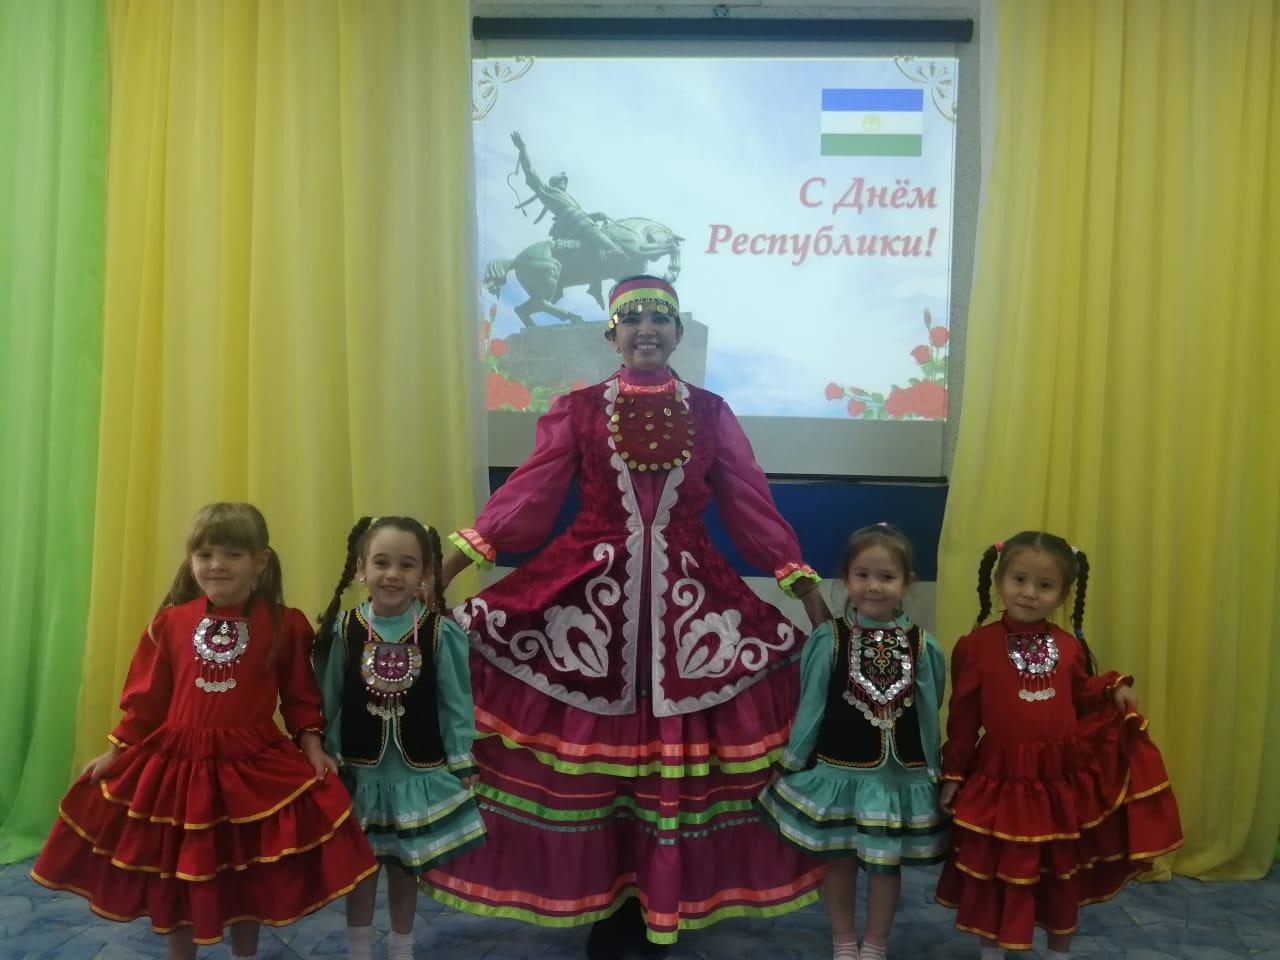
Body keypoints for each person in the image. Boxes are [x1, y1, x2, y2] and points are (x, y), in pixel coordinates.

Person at [422, 276, 830, 958]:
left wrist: (806, 590)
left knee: (672, 763)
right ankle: (605, 901)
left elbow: (750, 504)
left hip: (689, 609)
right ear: (612, 335)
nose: (647, 329)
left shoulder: (711, 412)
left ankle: (659, 901)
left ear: (678, 333)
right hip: (588, 602)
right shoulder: (579, 410)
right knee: (596, 770)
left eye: (660, 318)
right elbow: (526, 494)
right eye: (632, 318)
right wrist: (446, 570)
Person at [30, 503, 376, 960]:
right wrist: (116, 751)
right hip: (180, 769)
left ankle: (244, 955)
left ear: (260, 561)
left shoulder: (285, 624)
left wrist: (312, 745)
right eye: (205, 554)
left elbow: (298, 697)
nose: (217, 565)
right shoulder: (169, 623)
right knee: (181, 871)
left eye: (233, 554)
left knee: (247, 867)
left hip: (251, 768)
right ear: (191, 560)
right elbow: (146, 701)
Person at [935, 531, 1183, 958]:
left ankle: (1057, 953)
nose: (1030, 593)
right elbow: (963, 719)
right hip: (1002, 778)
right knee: (1000, 868)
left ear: (1063, 594)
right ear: (999, 581)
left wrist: (1112, 689)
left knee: (1060, 868)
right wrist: (955, 772)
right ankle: (991, 953)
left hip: (1057, 780)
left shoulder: (1069, 647)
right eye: (1019, 580)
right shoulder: (975, 647)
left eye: (1045, 585)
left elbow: (1082, 696)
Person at [757, 524, 949, 960]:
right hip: (839, 773)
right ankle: (843, 939)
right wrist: (791, 762)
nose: (873, 586)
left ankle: (875, 943)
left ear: (906, 583)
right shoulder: (830, 640)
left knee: (885, 867)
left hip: (897, 779)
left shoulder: (923, 646)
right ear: (846, 578)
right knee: (840, 860)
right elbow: (811, 709)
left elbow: (929, 712)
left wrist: (935, 769)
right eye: (863, 575)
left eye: (886, 576)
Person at [313, 516, 486, 960]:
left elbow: (454, 701)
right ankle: (359, 949)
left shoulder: (438, 631)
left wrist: (460, 756)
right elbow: (329, 698)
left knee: (406, 866)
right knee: (361, 867)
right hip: (360, 773)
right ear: (361, 568)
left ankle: (401, 947)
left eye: (407, 565)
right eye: (381, 562)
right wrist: (323, 751)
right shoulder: (344, 628)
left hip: (416, 771)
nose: (392, 574)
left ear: (425, 573)